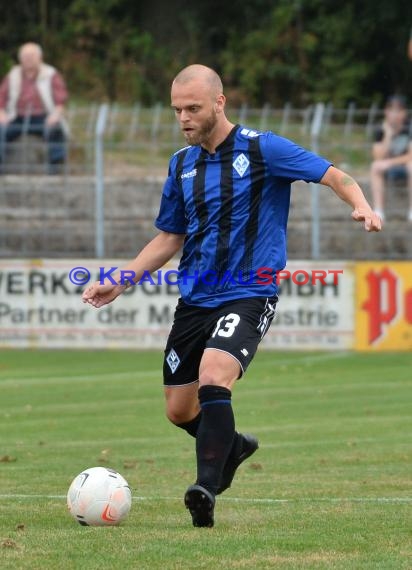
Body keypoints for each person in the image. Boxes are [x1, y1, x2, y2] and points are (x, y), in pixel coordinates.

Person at [82, 64, 381, 528]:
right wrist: (119, 279)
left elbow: (335, 176)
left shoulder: (264, 149)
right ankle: (234, 446)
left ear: (219, 103)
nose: (184, 117)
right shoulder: (181, 165)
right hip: (195, 298)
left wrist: (360, 203)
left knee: (214, 375)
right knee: (179, 409)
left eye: (193, 108)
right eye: (177, 109)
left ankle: (205, 488)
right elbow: (167, 238)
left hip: (250, 291)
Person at [0, 42, 68, 173]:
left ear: (40, 57)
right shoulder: (13, 75)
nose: (28, 59)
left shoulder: (50, 74)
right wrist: (1, 114)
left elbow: (61, 100)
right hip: (16, 117)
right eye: (25, 56)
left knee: (56, 130)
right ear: (20, 59)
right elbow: (1, 97)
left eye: (32, 55)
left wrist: (56, 115)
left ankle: (55, 168)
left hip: (43, 116)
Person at [370, 95, 412, 221]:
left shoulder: (409, 128)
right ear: (386, 112)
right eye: (391, 110)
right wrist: (388, 136)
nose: (395, 114)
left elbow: (411, 155)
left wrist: (389, 162)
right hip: (388, 166)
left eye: (398, 110)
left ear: (404, 112)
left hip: (405, 164)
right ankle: (378, 210)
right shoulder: (380, 129)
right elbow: (377, 157)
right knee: (375, 167)